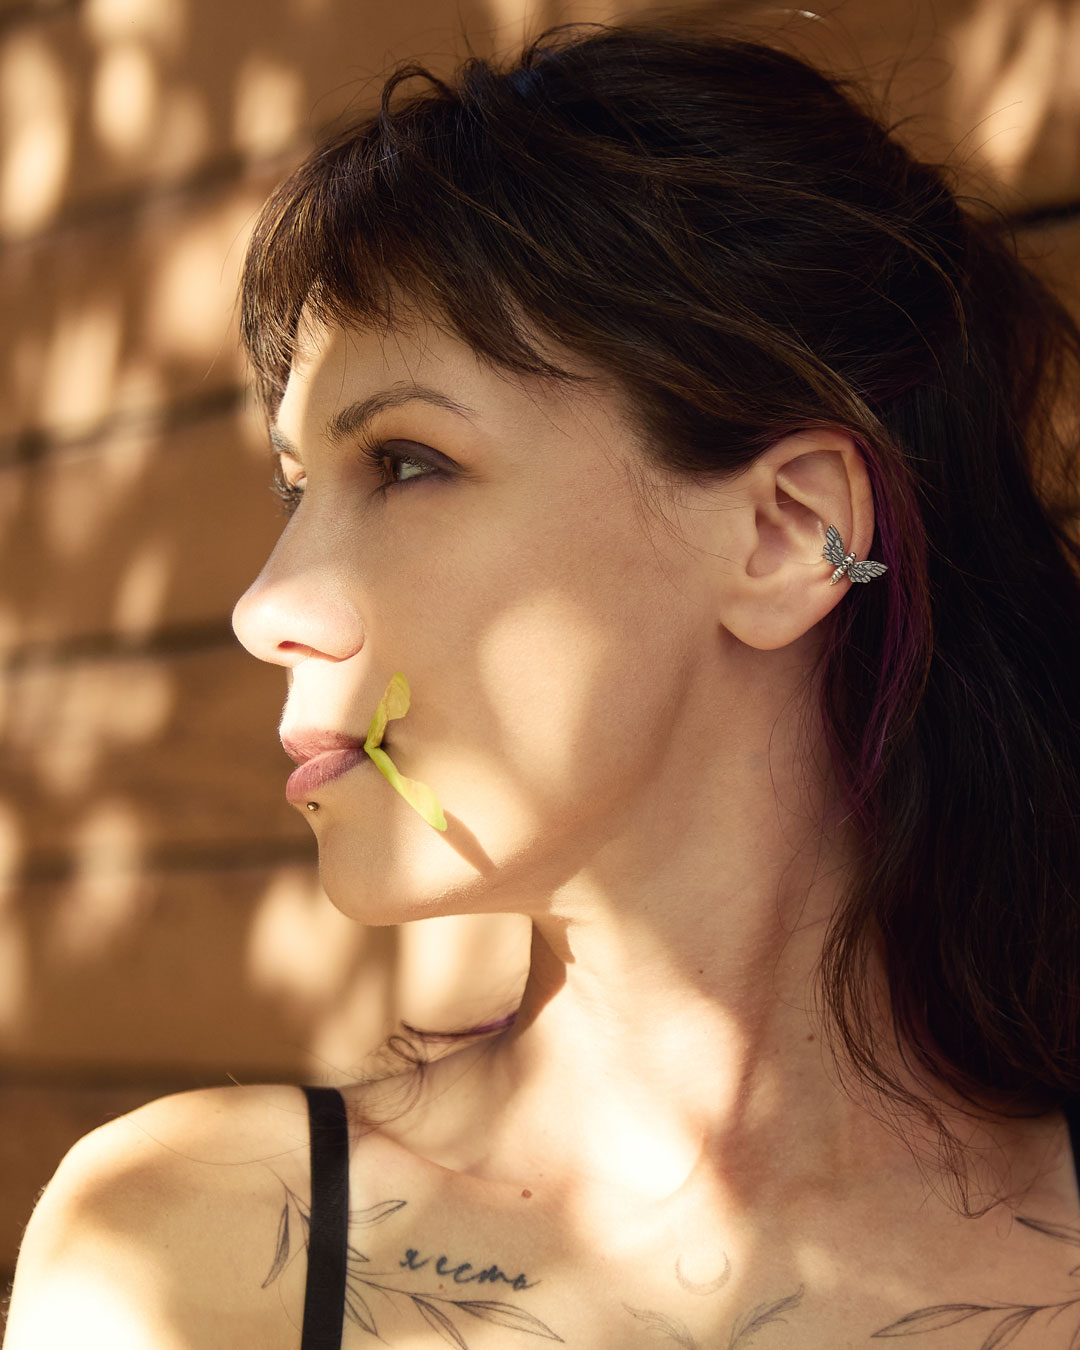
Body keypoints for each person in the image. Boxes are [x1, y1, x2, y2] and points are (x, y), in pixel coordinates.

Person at [6, 17, 1080, 1349]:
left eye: (404, 461)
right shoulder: (186, 1251)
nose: (266, 605)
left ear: (791, 530)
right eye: (293, 491)